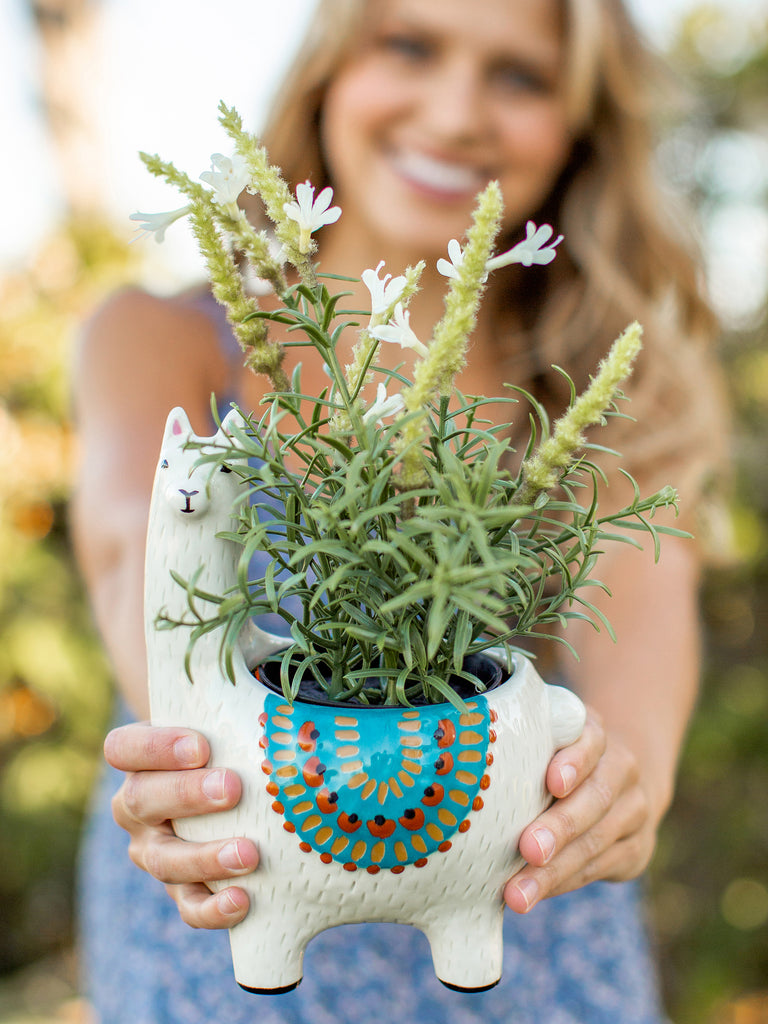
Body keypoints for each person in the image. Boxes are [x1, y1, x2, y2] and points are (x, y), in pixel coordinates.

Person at [71, 0, 727, 1021]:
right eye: (409, 44)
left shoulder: (599, 379)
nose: (458, 110)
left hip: (523, 926)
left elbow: (643, 615)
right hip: (236, 907)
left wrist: (621, 780)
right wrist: (186, 745)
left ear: (581, 125)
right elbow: (135, 554)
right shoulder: (163, 339)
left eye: (521, 76)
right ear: (330, 69)